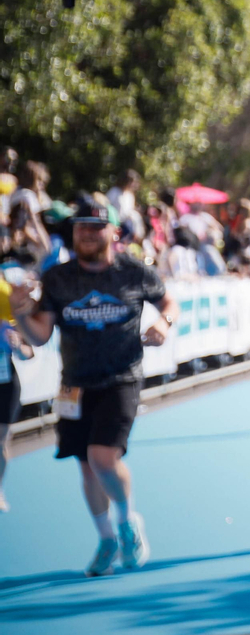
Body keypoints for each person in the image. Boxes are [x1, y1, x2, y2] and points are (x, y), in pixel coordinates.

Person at [11, 197, 175, 575]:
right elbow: (38, 336)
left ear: (114, 232)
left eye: (96, 226)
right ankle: (106, 540)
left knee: (103, 458)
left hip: (121, 377)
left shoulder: (134, 272)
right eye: (81, 226)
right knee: (87, 469)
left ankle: (127, 521)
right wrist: (20, 312)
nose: (87, 232)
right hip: (74, 385)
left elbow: (169, 302)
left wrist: (164, 323)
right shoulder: (59, 279)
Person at [1, 266, 37, 512]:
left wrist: (16, 346)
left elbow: (28, 354)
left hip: (5, 385)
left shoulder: (6, 320)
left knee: (1, 442)